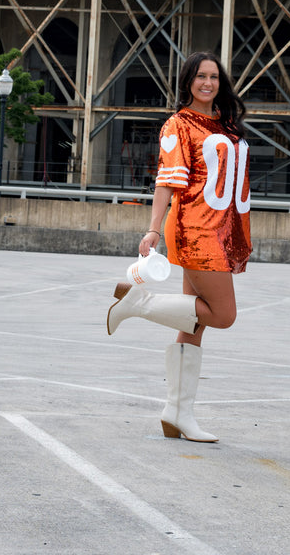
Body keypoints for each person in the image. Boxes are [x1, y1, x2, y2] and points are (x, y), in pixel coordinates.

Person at [106, 51, 251, 442]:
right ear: (188, 80)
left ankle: (177, 414)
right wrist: (154, 230)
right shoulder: (178, 125)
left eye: (214, 77)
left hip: (224, 229)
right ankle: (138, 303)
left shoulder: (226, 123)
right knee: (223, 315)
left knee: (195, 324)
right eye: (201, 76)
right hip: (196, 230)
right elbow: (167, 181)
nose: (208, 83)